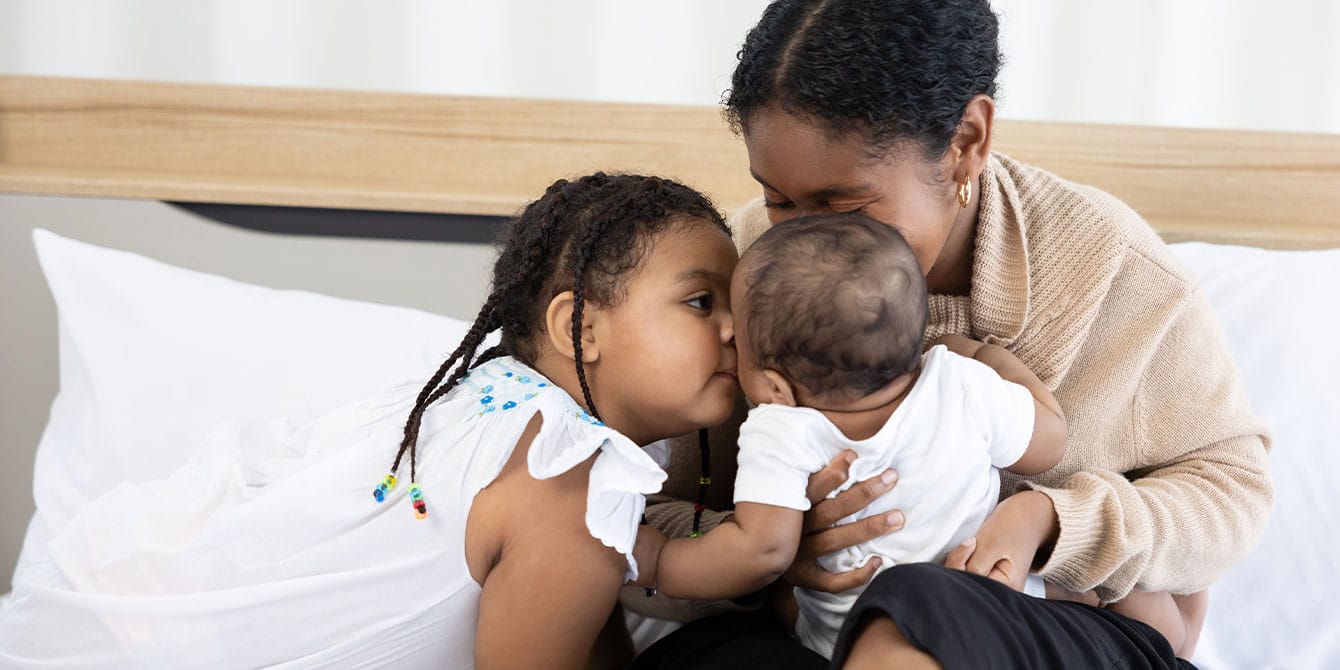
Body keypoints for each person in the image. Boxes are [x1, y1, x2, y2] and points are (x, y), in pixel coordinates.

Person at [634, 1, 1271, 667]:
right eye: (777, 198)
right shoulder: (752, 263)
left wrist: (1053, 524)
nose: (800, 234)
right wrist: (765, 552)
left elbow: (1233, 491)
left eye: (841, 204)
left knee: (914, 607)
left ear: (967, 141)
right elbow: (646, 511)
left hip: (1040, 622)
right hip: (807, 626)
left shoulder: (1112, 266)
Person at [0, 173, 741, 669]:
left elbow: (587, 626)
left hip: (121, 592)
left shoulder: (501, 406)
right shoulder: (565, 488)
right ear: (578, 330)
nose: (738, 329)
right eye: (703, 302)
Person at [636, 211, 1069, 659]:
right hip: (989, 619)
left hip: (848, 645)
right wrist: (988, 357)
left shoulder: (781, 428)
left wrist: (657, 563)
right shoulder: (960, 384)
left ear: (775, 386)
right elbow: (1049, 444)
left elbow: (762, 550)